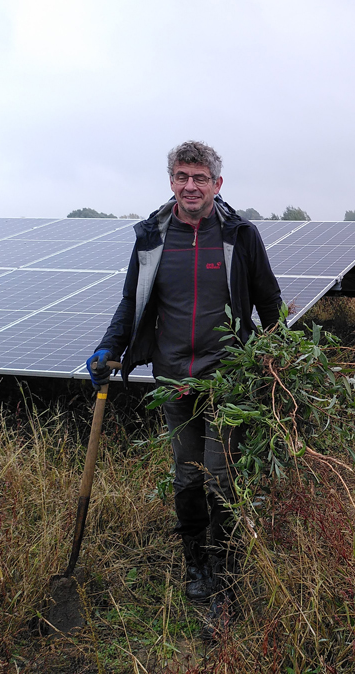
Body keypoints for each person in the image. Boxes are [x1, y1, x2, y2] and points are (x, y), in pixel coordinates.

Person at [86, 141, 283, 635]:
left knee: (222, 478)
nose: (190, 186)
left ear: (218, 184)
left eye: (200, 178)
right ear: (171, 181)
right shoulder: (152, 238)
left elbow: (270, 304)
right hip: (174, 379)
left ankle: (227, 578)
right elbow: (132, 301)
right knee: (187, 476)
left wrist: (280, 363)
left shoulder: (240, 235)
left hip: (229, 379)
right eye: (181, 177)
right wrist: (109, 347)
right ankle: (196, 565)